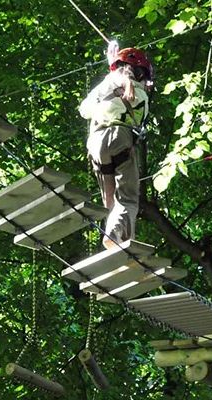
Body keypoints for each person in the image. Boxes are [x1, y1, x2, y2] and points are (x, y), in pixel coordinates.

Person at [79, 42, 152, 249]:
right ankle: (118, 235)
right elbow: (139, 118)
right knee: (128, 197)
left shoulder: (106, 85)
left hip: (96, 143)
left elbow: (84, 110)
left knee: (109, 200)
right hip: (120, 139)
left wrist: (110, 74)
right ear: (140, 74)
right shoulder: (142, 95)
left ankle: (113, 233)